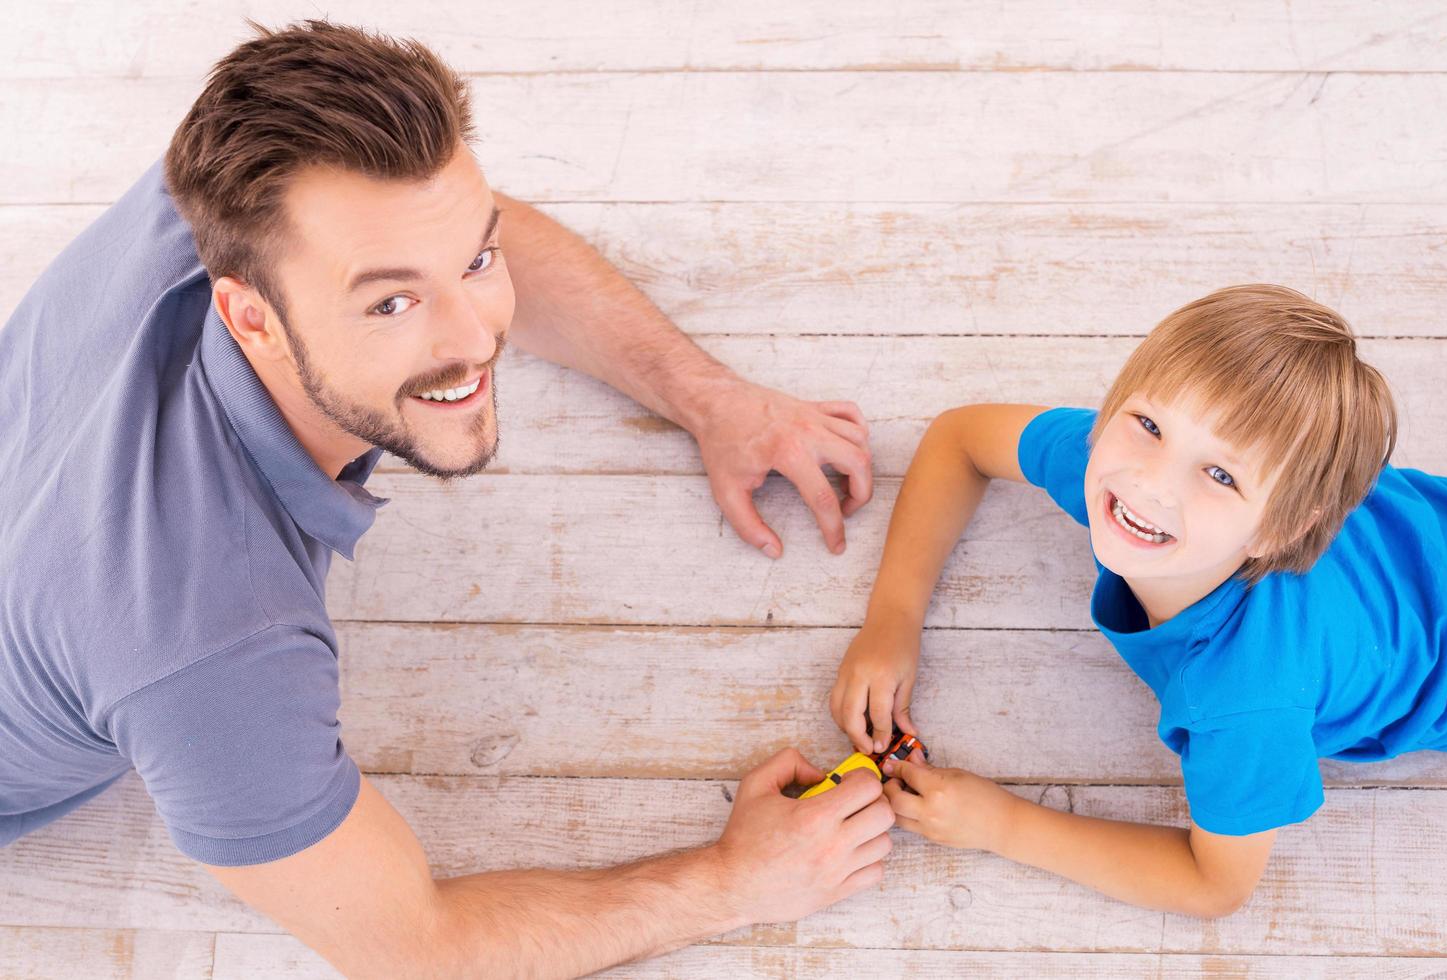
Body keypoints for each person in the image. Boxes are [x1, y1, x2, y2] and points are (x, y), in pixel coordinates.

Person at [0, 20, 892, 976]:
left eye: (474, 263)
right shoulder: (208, 649)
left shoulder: (220, 193)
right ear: (247, 317)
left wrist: (707, 398)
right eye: (390, 304)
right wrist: (731, 881)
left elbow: (439, 231)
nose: (476, 339)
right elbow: (414, 949)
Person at [828, 284, 1447, 918]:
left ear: (1282, 529)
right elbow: (960, 438)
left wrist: (1002, 825)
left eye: (1221, 474)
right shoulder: (1111, 468)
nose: (1151, 483)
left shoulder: (1248, 696)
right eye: (1150, 424)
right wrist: (893, 617)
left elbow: (1214, 885)